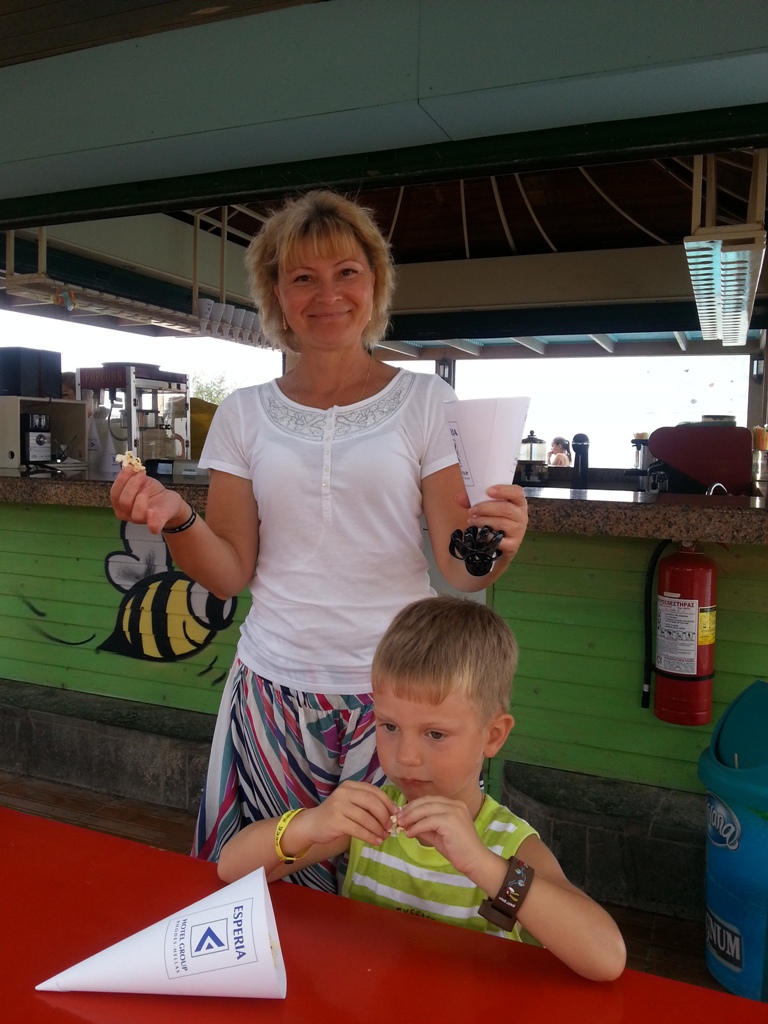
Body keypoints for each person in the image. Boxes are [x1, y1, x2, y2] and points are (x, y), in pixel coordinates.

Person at [109, 189, 528, 892]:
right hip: (271, 691)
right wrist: (177, 518)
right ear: (277, 293)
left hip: (397, 703)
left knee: (390, 896)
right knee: (272, 890)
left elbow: (461, 569)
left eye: (346, 272)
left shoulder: (428, 402)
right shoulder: (245, 413)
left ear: (375, 282)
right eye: (303, 277)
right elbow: (229, 573)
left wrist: (499, 539)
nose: (328, 294)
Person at [217, 596, 626, 982]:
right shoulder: (370, 821)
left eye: (435, 734)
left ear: (493, 736)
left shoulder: (509, 845)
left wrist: (482, 864)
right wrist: (310, 824)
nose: (406, 756)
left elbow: (606, 958)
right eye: (390, 726)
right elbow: (230, 870)